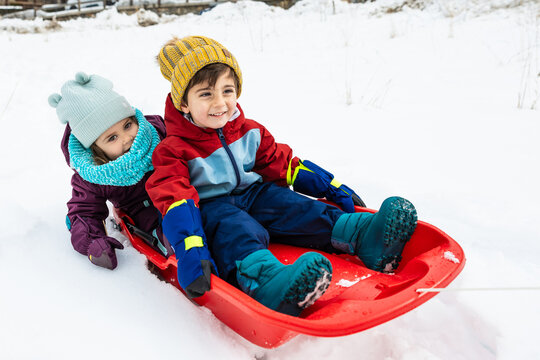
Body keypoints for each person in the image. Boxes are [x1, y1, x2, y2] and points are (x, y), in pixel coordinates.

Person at [146, 36, 418, 316]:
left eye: (227, 90)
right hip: (210, 209)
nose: (220, 103)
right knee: (235, 228)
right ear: (184, 104)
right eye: (206, 94)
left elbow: (282, 163)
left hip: (254, 195)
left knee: (291, 204)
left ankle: (364, 236)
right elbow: (176, 201)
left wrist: (328, 185)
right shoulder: (173, 151)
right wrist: (190, 247)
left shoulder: (249, 131)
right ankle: (266, 282)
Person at [49, 72, 167, 270]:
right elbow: (83, 213)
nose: (127, 138)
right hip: (148, 217)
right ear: (96, 148)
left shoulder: (156, 131)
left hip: (187, 195)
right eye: (112, 138)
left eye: (128, 125)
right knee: (178, 236)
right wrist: (93, 242)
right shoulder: (95, 175)